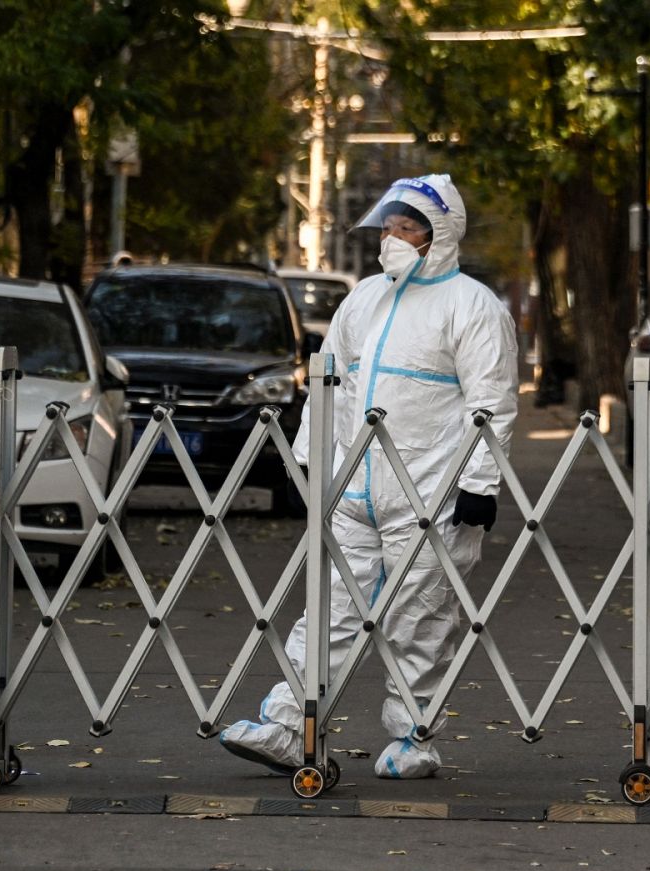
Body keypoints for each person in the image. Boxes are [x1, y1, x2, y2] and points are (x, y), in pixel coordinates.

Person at [221, 174, 519, 779]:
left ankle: (414, 737)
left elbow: (493, 401)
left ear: (438, 234)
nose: (391, 237)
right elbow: (330, 381)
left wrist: (481, 482)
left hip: (432, 496)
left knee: (421, 619)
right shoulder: (364, 299)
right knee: (326, 609)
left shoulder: (473, 306)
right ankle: (289, 724)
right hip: (355, 488)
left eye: (405, 226)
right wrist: (311, 460)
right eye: (387, 225)